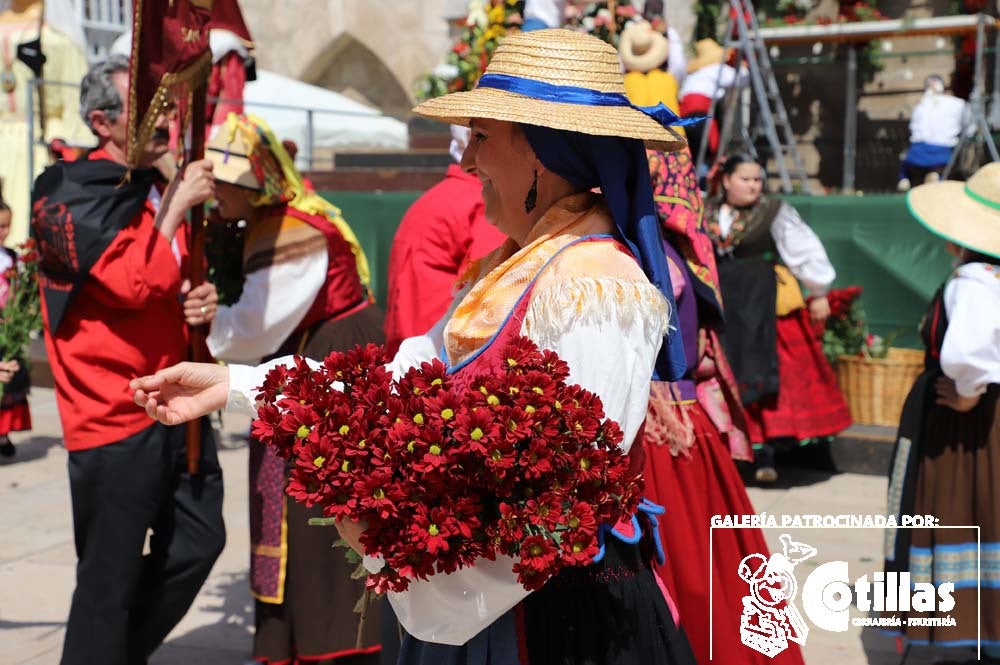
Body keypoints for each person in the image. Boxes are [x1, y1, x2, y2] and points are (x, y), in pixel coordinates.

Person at [132, 28, 700, 665]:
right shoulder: (515, 264)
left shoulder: (594, 284)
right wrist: (235, 386)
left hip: (552, 615)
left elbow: (557, 485)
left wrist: (404, 541)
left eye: (482, 138)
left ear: (541, 152)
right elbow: (406, 380)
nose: (467, 163)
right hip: (486, 602)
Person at [30, 54, 225, 665]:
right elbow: (135, 282)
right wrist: (175, 200)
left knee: (200, 543)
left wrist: (201, 300)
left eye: (165, 109)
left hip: (177, 399)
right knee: (106, 582)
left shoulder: (149, 188)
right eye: (149, 112)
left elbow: (169, 278)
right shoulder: (63, 194)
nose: (166, 122)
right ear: (101, 122)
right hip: (111, 415)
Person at [204, 113, 384, 665]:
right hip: (313, 355)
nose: (212, 192)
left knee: (314, 508)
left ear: (251, 182)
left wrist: (205, 322)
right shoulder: (277, 219)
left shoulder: (292, 230)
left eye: (221, 181)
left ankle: (331, 641)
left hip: (328, 366)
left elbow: (253, 327)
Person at [642, 147, 805, 665]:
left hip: (662, 436)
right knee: (715, 575)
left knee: (692, 577)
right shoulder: (678, 247)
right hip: (687, 426)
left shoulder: (648, 255)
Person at [884, 162, 1000, 660]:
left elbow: (964, 355)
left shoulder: (973, 279)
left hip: (967, 415)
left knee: (962, 508)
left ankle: (967, 628)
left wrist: (970, 392)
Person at [704, 153, 851, 482]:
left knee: (758, 367)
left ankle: (764, 455)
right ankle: (724, 456)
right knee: (722, 372)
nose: (754, 186)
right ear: (726, 180)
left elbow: (804, 250)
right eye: (746, 179)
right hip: (720, 300)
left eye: (758, 179)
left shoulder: (773, 212)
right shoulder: (707, 212)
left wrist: (819, 290)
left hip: (759, 299)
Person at [384, 124, 505, 355]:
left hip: (411, 349)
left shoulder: (441, 195)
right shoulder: (482, 202)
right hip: (435, 356)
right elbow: (487, 294)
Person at [0, 0, 93, 244]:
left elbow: (73, 99)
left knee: (26, 223)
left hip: (39, 143)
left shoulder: (56, 32)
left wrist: (66, 146)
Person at [897, 74, 970, 192]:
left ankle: (904, 179)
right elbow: (969, 128)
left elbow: (914, 130)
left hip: (917, 153)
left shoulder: (919, 106)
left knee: (906, 160)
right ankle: (936, 175)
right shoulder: (958, 104)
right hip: (943, 153)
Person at [0, 195, 31, 457]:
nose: (5, 232)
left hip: (9, 327)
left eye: (8, 225)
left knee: (10, 383)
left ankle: (4, 433)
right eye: (0, 226)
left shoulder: (11, 257)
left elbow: (19, 290)